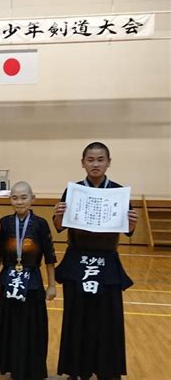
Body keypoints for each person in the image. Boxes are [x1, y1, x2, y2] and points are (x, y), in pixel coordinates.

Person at [53, 142, 138, 380]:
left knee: (107, 319)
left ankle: (107, 370)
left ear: (109, 162)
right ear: (83, 163)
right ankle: (76, 369)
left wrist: (132, 223)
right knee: (76, 316)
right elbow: (59, 228)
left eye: (100, 159)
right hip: (77, 260)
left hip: (107, 262)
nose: (95, 164)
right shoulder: (73, 191)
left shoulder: (119, 192)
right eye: (90, 159)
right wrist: (58, 216)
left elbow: (129, 232)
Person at [0, 181, 57, 380]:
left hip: (32, 281)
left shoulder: (41, 224)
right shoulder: (5, 223)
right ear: (10, 200)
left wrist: (51, 285)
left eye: (24, 197)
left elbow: (50, 257)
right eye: (15, 198)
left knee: (32, 325)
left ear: (33, 199)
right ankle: (9, 364)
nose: (19, 202)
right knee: (10, 324)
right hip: (9, 279)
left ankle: (32, 367)